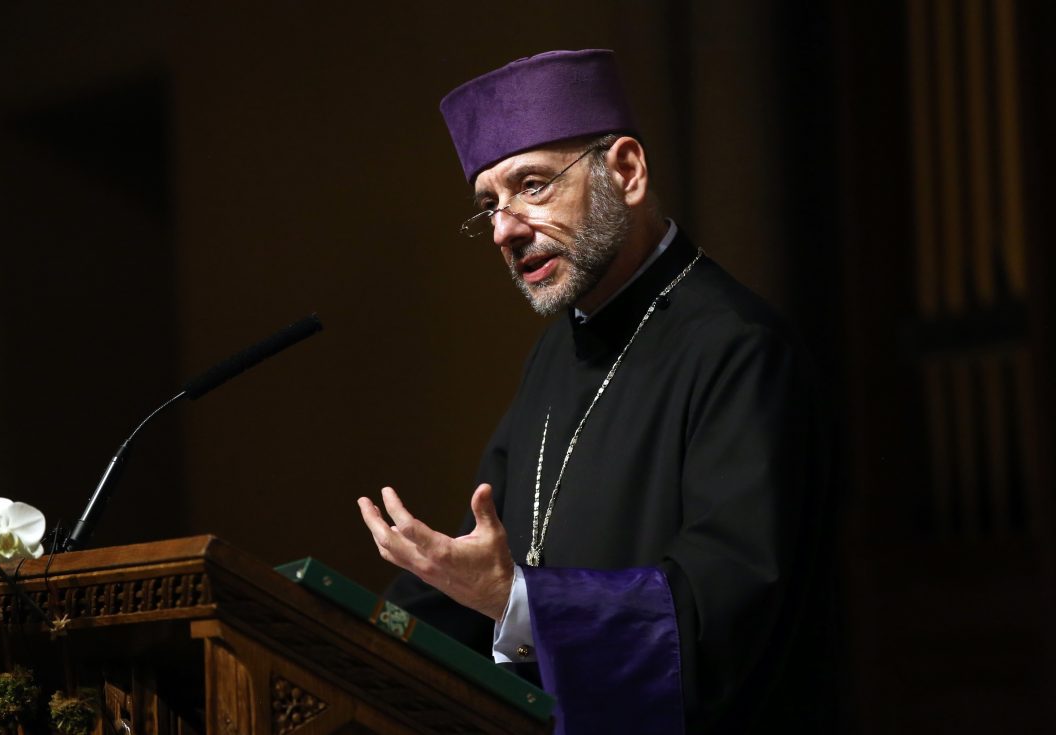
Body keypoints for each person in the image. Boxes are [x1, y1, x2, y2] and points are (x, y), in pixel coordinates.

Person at [356, 49, 834, 734]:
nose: (504, 228)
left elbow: (724, 616)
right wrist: (327, 629)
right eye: (488, 204)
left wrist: (518, 601)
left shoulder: (740, 350)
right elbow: (475, 568)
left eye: (532, 185)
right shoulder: (554, 356)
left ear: (627, 172)